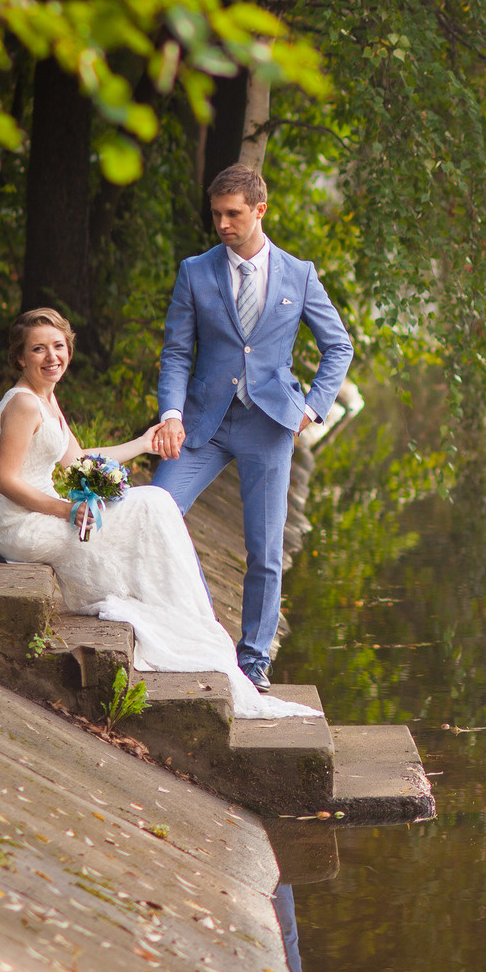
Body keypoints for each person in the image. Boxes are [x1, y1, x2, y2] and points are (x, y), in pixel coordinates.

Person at [0, 307, 317, 721]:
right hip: (24, 526)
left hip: (46, 513)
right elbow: (5, 481)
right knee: (152, 506)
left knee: (155, 502)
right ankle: (185, 618)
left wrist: (143, 444)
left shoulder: (46, 398)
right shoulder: (24, 404)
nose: (52, 356)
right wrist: (66, 509)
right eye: (38, 349)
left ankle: (188, 617)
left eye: (58, 346)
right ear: (20, 357)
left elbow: (80, 458)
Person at [150, 165, 354, 691]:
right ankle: (187, 630)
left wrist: (313, 408)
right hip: (203, 423)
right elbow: (176, 353)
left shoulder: (298, 274)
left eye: (233, 213)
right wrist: (170, 414)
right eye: (216, 213)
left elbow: (339, 346)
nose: (221, 223)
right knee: (156, 513)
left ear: (259, 210)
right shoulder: (195, 272)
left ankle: (254, 662)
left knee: (265, 551)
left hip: (269, 424)